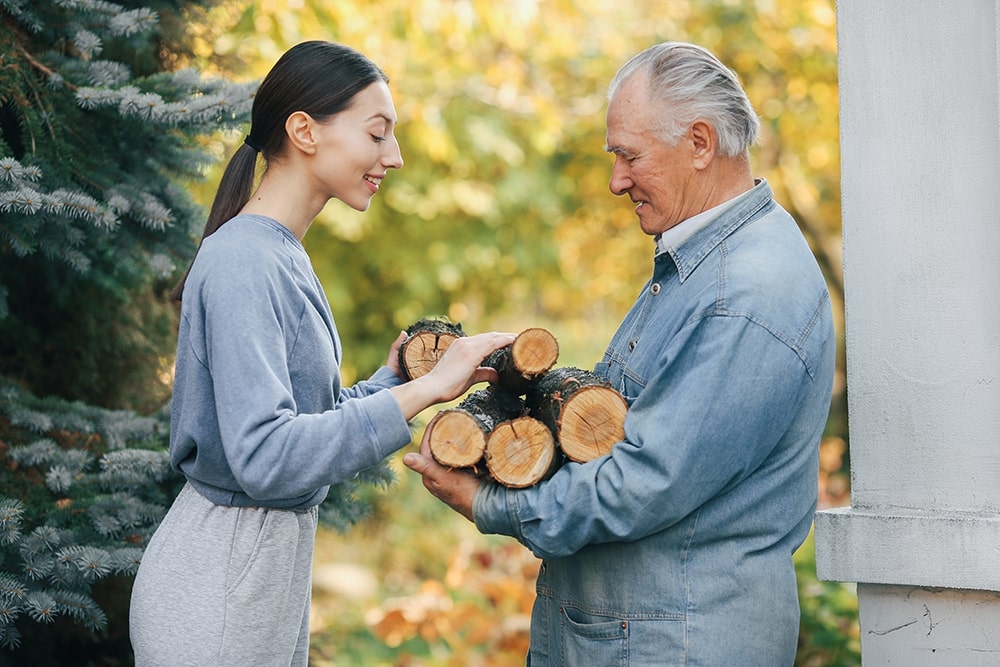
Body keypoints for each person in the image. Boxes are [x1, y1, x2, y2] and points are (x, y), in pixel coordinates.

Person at [404, 41, 836, 666]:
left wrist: (492, 504)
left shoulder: (742, 295)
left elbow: (643, 482)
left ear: (699, 143)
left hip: (676, 646)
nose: (615, 181)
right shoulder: (703, 261)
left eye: (629, 156)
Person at [128, 41, 514, 666]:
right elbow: (266, 457)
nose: (395, 156)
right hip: (220, 585)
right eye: (377, 133)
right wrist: (426, 390)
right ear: (304, 131)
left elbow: (307, 425)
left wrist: (393, 377)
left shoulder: (279, 253)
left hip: (255, 579)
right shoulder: (243, 260)